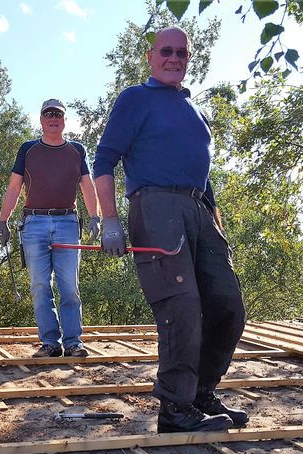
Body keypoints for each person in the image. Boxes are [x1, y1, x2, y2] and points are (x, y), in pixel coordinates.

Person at [92, 27, 248, 433]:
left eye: (182, 53)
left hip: (199, 209)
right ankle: (175, 410)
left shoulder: (192, 108)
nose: (174, 58)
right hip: (156, 206)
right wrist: (110, 221)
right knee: (182, 307)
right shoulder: (135, 98)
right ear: (150, 56)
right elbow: (103, 160)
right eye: (166, 51)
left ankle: (200, 394)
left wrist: (216, 225)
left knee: (228, 306)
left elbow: (203, 175)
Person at [0, 99, 100, 358]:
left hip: (67, 223)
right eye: (48, 114)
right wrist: (2, 220)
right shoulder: (28, 149)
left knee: (69, 286)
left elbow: (87, 186)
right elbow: (14, 187)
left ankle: (74, 343)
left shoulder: (76, 150)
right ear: (41, 120)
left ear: (64, 120)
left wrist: (95, 217)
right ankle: (50, 343)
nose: (53, 118)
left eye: (58, 114)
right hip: (34, 223)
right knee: (40, 285)